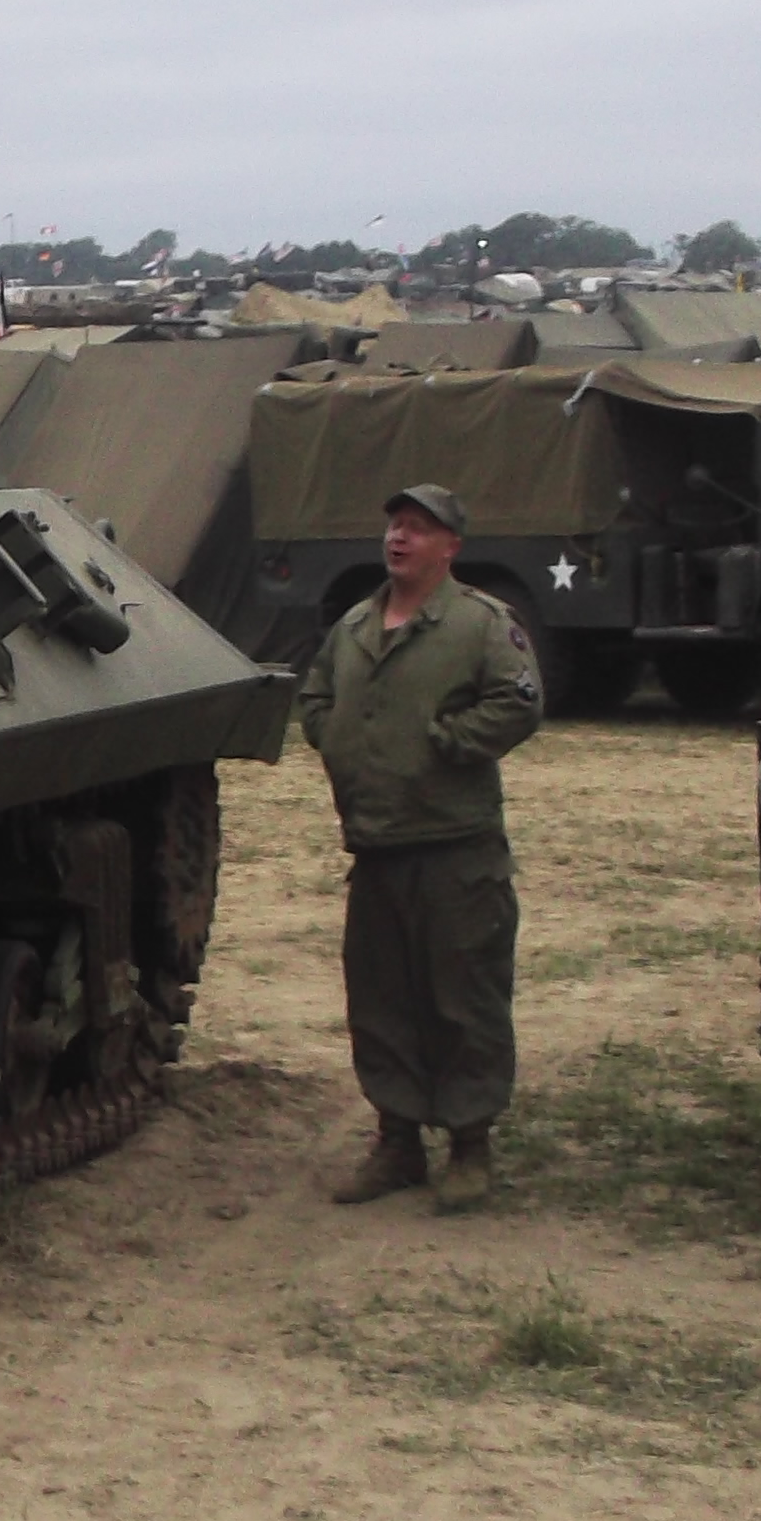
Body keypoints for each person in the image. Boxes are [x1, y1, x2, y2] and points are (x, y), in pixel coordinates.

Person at [294, 482, 544, 1214]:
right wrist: (332, 736)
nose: (399, 538)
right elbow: (314, 694)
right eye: (395, 526)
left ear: (450, 547)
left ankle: (470, 1145)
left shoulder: (479, 623)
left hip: (456, 849)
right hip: (377, 848)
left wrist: (448, 744)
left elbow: (520, 702)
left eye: (418, 528)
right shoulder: (355, 625)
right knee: (381, 1001)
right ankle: (397, 1139)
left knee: (463, 997)